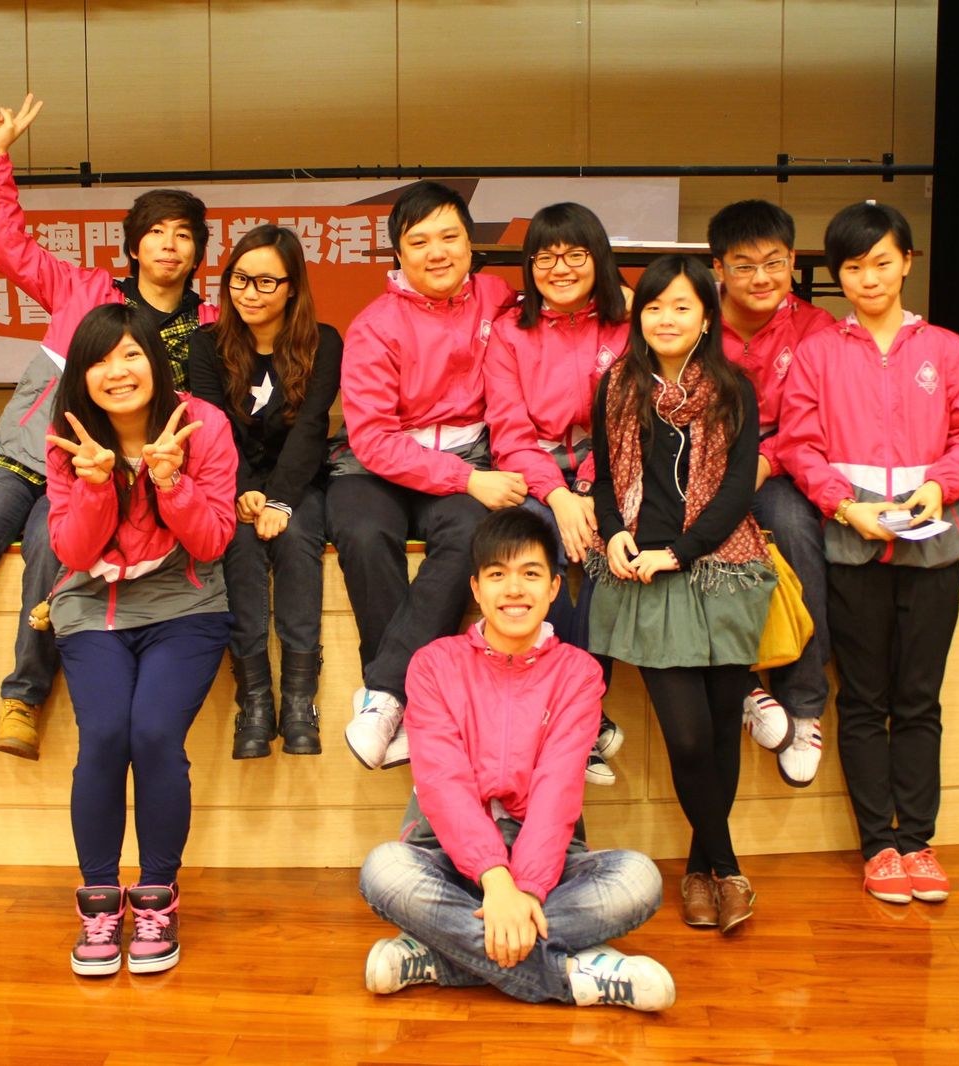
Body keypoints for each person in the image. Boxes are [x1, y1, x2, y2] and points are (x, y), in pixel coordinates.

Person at [0, 93, 212, 775]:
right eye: (157, 231)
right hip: (18, 459)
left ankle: (23, 702)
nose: (169, 243)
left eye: (184, 234)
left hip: (99, 479)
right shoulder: (84, 292)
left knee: (50, 557)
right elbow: (9, 247)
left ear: (198, 253)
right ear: (134, 245)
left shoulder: (209, 329)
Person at [358, 507, 673, 1010]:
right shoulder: (433, 665)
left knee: (638, 879)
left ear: (552, 587)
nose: (514, 590)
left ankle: (442, 957)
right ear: (476, 588)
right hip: (445, 852)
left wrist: (523, 891)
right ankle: (573, 974)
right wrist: (495, 880)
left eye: (530, 574)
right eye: (497, 575)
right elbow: (444, 783)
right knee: (385, 871)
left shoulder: (579, 674)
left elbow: (557, 790)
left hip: (548, 861)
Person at [775, 201, 959, 905]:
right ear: (837, 275)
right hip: (851, 544)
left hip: (934, 545)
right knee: (864, 699)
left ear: (906, 263)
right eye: (852, 267)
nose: (868, 279)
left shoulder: (947, 349)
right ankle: (879, 846)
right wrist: (845, 506)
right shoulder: (818, 352)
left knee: (919, 699)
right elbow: (798, 445)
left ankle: (919, 841)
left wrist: (939, 486)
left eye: (880, 262)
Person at [44, 304, 236, 976]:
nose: (117, 371)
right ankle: (99, 904)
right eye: (99, 360)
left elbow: (212, 541)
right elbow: (72, 551)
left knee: (153, 734)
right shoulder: (69, 438)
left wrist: (169, 480)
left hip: (185, 604)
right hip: (94, 605)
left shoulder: (202, 425)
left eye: (130, 354)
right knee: (104, 736)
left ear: (155, 360)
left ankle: (156, 897)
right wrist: (96, 486)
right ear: (81, 374)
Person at [586, 255, 776, 934]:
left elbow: (737, 489)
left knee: (723, 732)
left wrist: (683, 550)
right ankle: (729, 867)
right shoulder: (617, 385)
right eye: (654, 306)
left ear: (705, 318)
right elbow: (605, 477)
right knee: (689, 739)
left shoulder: (733, 388)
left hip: (719, 570)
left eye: (681, 307)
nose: (665, 319)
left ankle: (700, 873)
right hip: (645, 577)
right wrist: (613, 532)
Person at [328, 180, 521, 771]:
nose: (437, 252)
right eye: (419, 241)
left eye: (449, 237)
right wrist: (466, 481)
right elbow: (372, 438)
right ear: (398, 254)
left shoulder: (496, 298)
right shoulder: (373, 325)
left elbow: (561, 310)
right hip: (377, 466)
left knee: (471, 536)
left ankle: (384, 694)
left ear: (470, 244)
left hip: (469, 458)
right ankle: (404, 701)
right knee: (363, 533)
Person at [484, 202, 631, 787]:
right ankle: (579, 719)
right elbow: (509, 433)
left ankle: (579, 710)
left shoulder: (626, 327)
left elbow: (625, 424)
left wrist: (588, 489)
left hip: (609, 469)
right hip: (532, 471)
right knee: (534, 549)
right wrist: (559, 495)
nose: (560, 268)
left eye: (575, 254)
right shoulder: (508, 331)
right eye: (545, 257)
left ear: (599, 259)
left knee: (606, 550)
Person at [189, 225, 342, 759]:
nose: (249, 293)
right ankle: (254, 700)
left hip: (299, 481)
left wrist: (278, 498)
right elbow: (213, 428)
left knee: (297, 540)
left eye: (265, 282)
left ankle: (299, 701)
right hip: (229, 479)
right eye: (239, 279)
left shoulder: (323, 342)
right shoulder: (206, 345)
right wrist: (242, 491)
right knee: (238, 543)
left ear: (292, 286)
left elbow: (311, 427)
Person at [707, 200, 836, 786]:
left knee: (797, 533)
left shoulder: (817, 329)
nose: (761, 278)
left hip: (782, 463)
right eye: (744, 265)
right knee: (690, 545)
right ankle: (743, 689)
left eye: (774, 263)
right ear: (718, 268)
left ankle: (804, 706)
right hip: (705, 466)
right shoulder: (693, 318)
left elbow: (816, 421)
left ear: (791, 261)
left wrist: (764, 462)